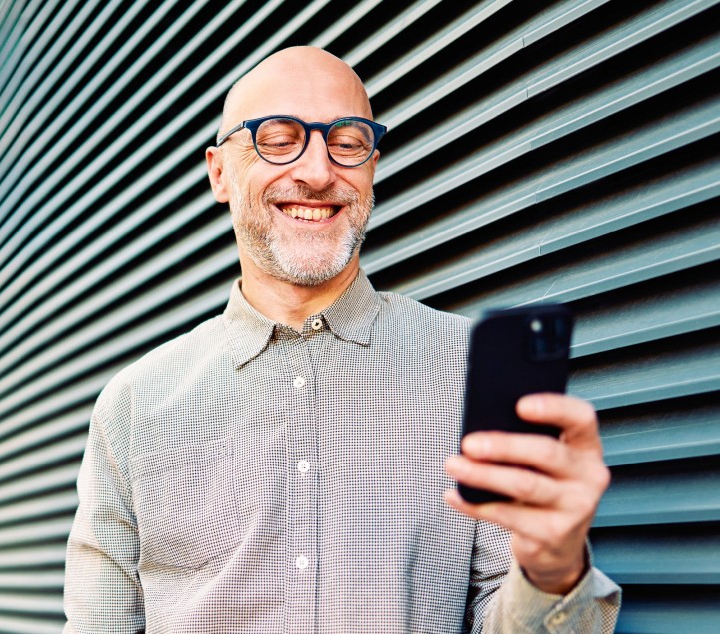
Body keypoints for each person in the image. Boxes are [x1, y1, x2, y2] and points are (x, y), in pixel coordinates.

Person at [63, 46, 621, 633]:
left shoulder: (470, 368)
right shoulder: (133, 406)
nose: (317, 171)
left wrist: (554, 574)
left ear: (372, 166)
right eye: (277, 139)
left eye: (347, 141)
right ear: (220, 173)